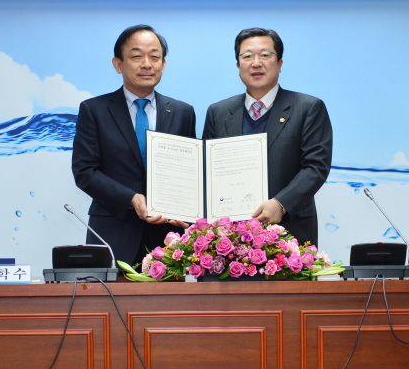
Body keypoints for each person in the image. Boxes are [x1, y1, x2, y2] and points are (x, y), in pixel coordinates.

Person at [72, 24, 196, 266]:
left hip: (168, 237)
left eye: (154, 57)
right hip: (113, 232)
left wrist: (188, 214)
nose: (147, 64)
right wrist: (131, 198)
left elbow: (191, 174)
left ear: (163, 64)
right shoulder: (95, 110)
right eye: (137, 56)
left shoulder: (183, 112)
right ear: (118, 64)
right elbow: (84, 171)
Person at [202, 28, 332, 246]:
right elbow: (207, 172)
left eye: (265, 55)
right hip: (229, 238)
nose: (256, 63)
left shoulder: (308, 108)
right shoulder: (218, 112)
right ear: (238, 65)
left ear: (279, 64)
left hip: (289, 231)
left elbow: (316, 167)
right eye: (247, 56)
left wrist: (281, 203)